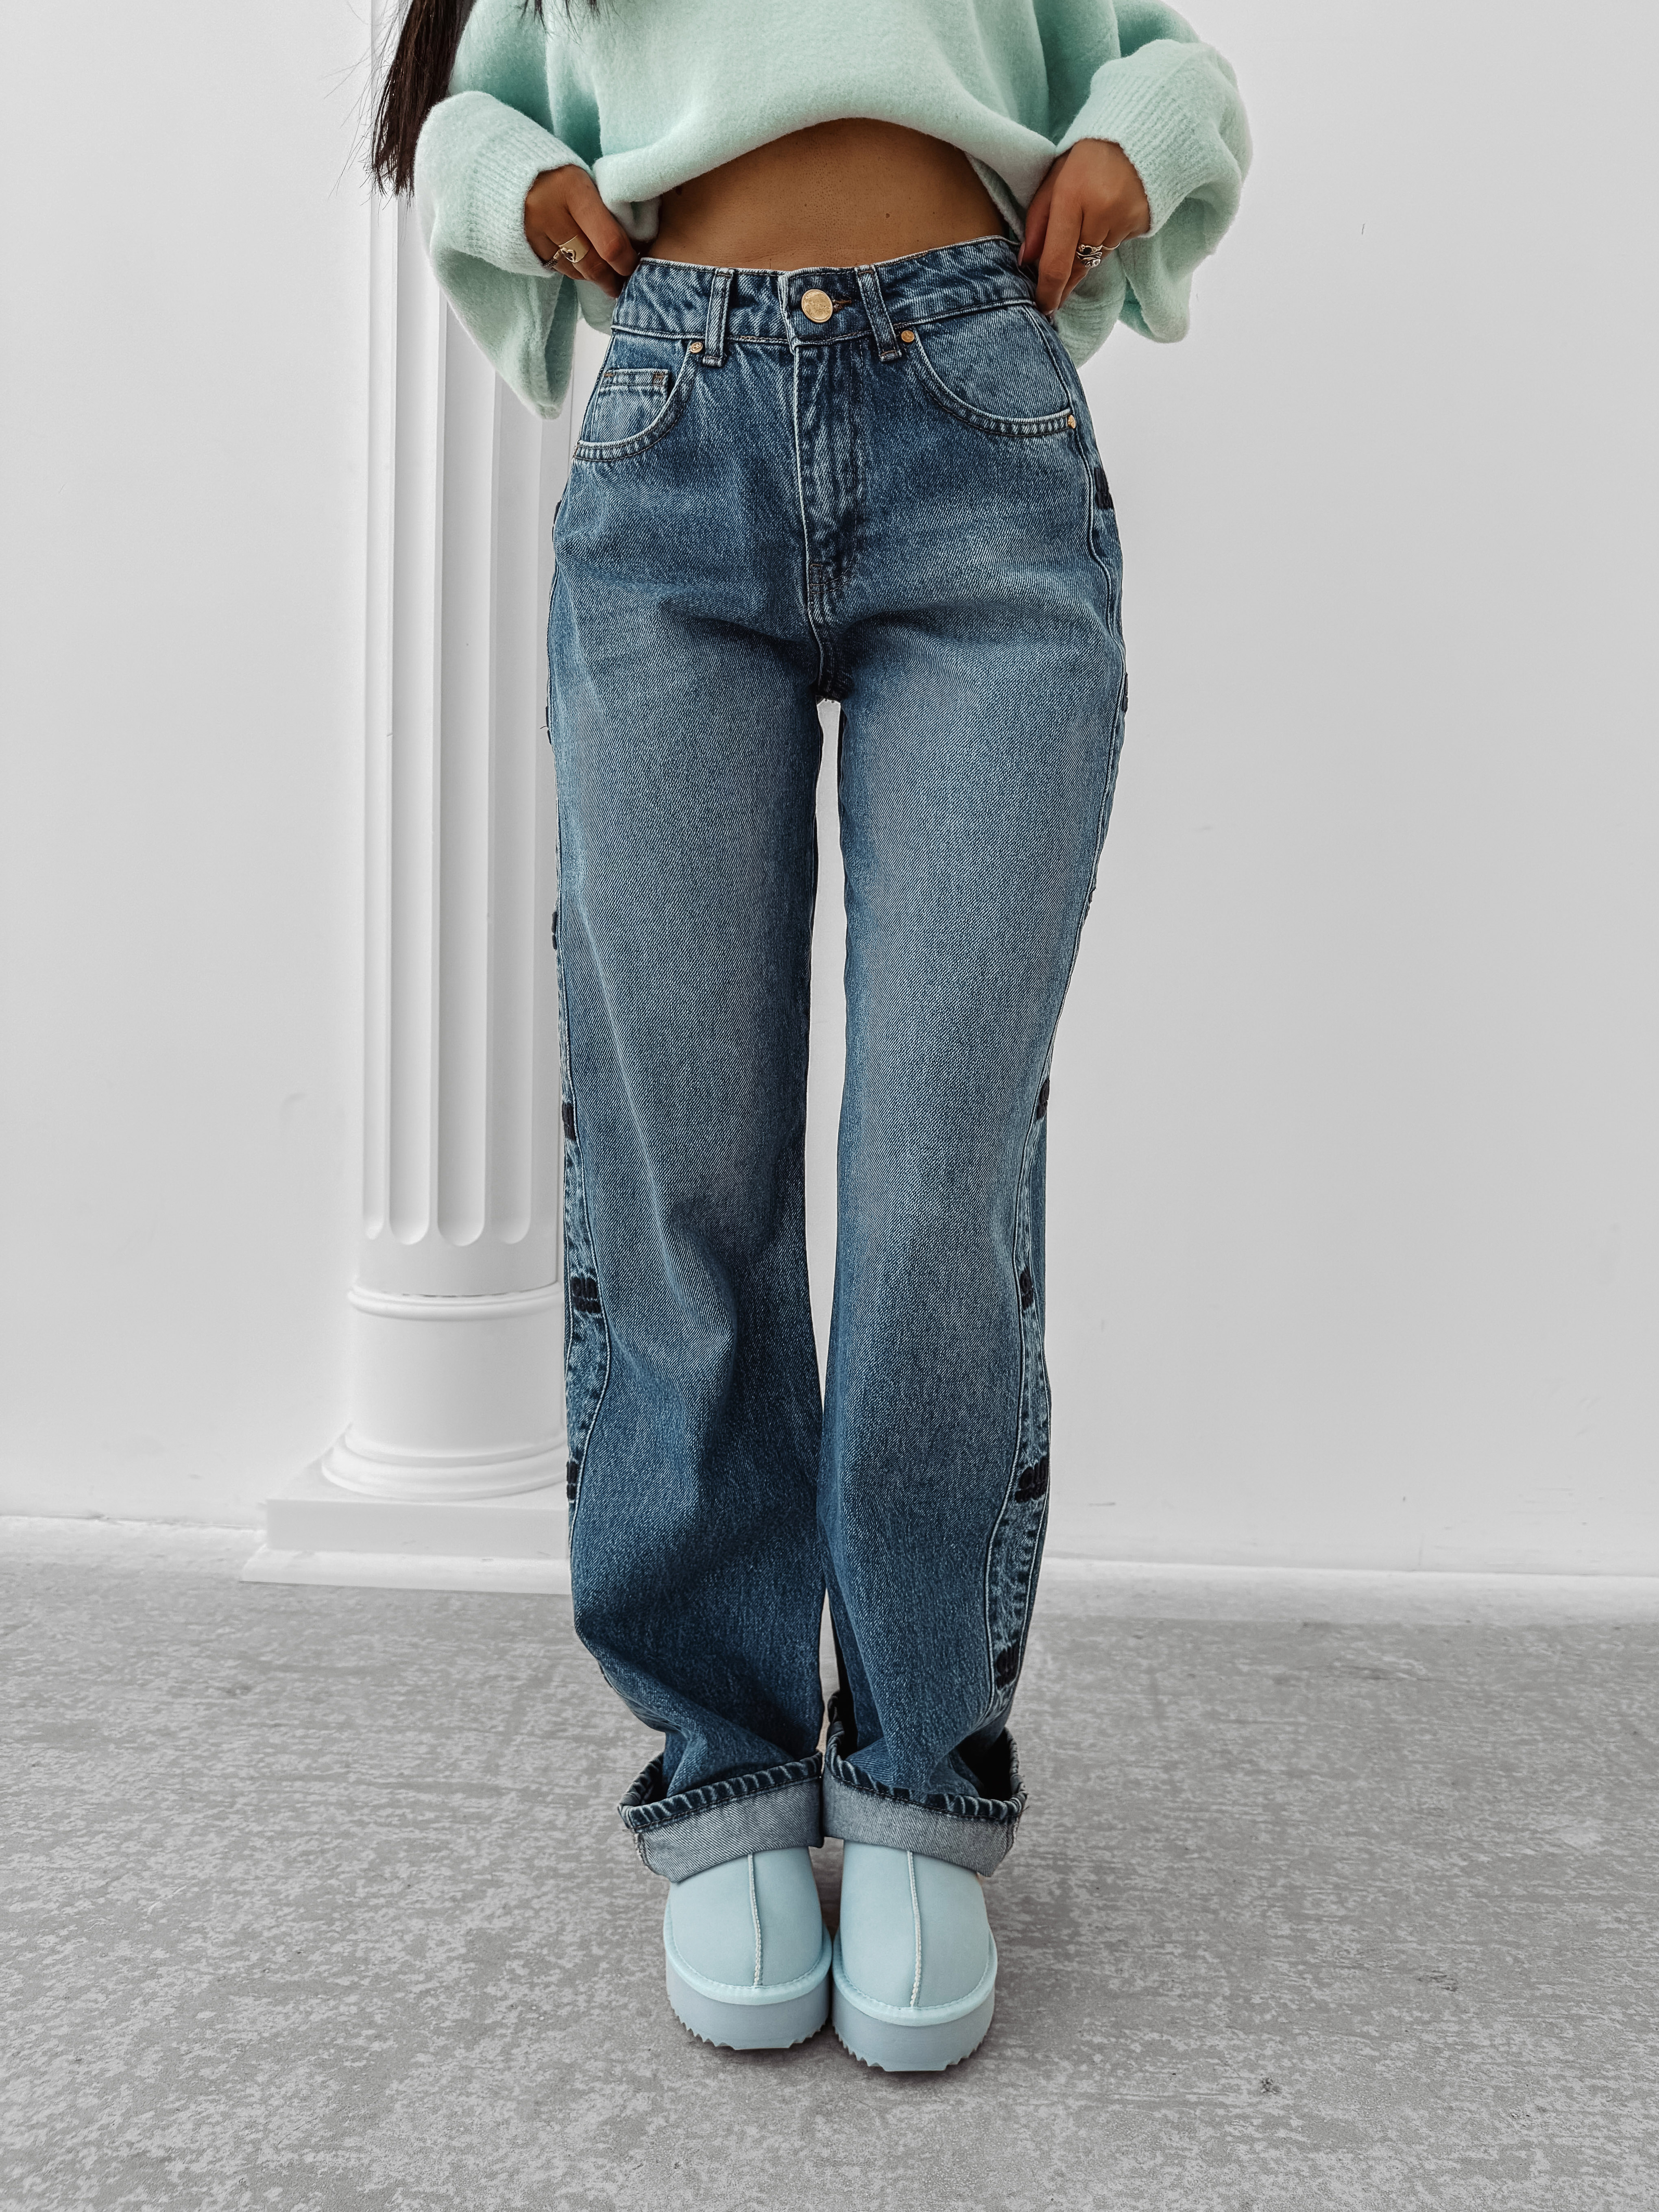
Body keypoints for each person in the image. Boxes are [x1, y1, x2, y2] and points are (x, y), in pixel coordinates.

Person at [372, 0, 1249, 2073]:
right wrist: (530, 186)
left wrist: (1124, 147)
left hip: (977, 429)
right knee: (679, 1161)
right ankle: (732, 1768)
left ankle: (921, 1776)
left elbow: (1174, 67)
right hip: (675, 439)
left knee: (939, 1173)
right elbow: (465, 121)